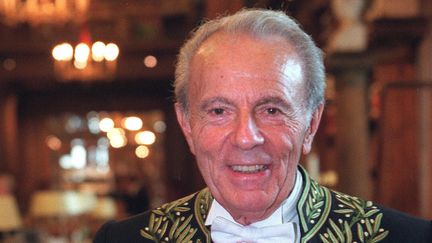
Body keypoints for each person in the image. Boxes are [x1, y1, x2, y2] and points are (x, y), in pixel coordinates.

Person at [94, 8, 432, 243]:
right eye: (218, 111)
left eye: (271, 109)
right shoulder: (125, 240)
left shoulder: (409, 239)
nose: (246, 138)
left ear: (311, 123)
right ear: (187, 126)